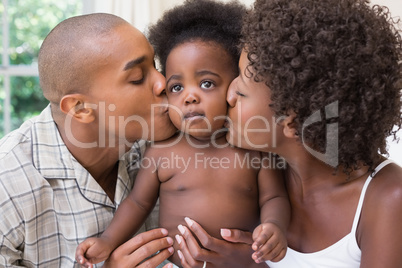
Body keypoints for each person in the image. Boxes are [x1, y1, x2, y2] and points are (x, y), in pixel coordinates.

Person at [75, 1, 290, 267]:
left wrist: (273, 226)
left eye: (207, 83)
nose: (189, 96)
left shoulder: (253, 148)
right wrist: (108, 241)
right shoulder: (161, 150)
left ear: (234, 86)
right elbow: (137, 204)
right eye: (176, 87)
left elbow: (274, 197)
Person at [221, 0, 402, 267]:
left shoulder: (386, 199)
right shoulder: (259, 172)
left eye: (243, 90)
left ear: (292, 120)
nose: (228, 94)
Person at [0, 13, 179, 267]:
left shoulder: (173, 141)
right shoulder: (8, 185)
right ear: (80, 107)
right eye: (138, 77)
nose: (163, 82)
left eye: (156, 65)